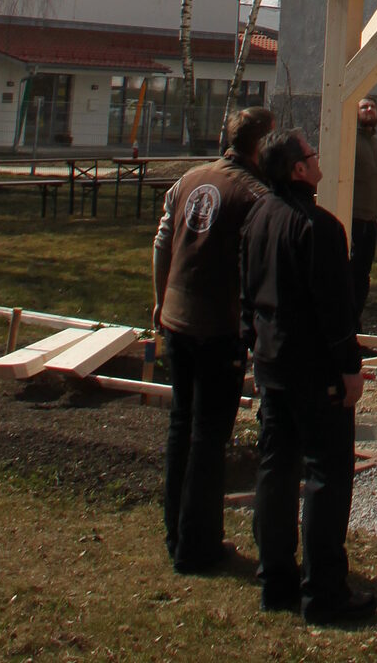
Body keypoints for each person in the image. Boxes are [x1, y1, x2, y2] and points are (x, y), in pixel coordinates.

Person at [239, 128, 373, 625]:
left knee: (275, 472)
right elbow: (334, 310)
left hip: (272, 364)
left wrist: (251, 346)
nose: (319, 161)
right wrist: (349, 369)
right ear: (298, 170)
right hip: (315, 372)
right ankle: (323, 592)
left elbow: (247, 294)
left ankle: (275, 580)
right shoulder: (318, 228)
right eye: (312, 156)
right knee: (325, 478)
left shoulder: (257, 217)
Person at [152, 104, 272, 575]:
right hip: (218, 327)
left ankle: (175, 531)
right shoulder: (255, 195)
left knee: (181, 428)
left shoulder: (189, 180)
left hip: (177, 319)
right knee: (208, 436)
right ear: (259, 145)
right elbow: (261, 267)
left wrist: (160, 299)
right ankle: (197, 547)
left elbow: (162, 240)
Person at [349, 96, 377, 329]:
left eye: (372, 107)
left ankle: (356, 327)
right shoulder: (350, 141)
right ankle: (347, 329)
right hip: (352, 220)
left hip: (370, 220)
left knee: (363, 277)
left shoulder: (376, 144)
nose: (369, 110)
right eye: (364, 107)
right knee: (349, 278)